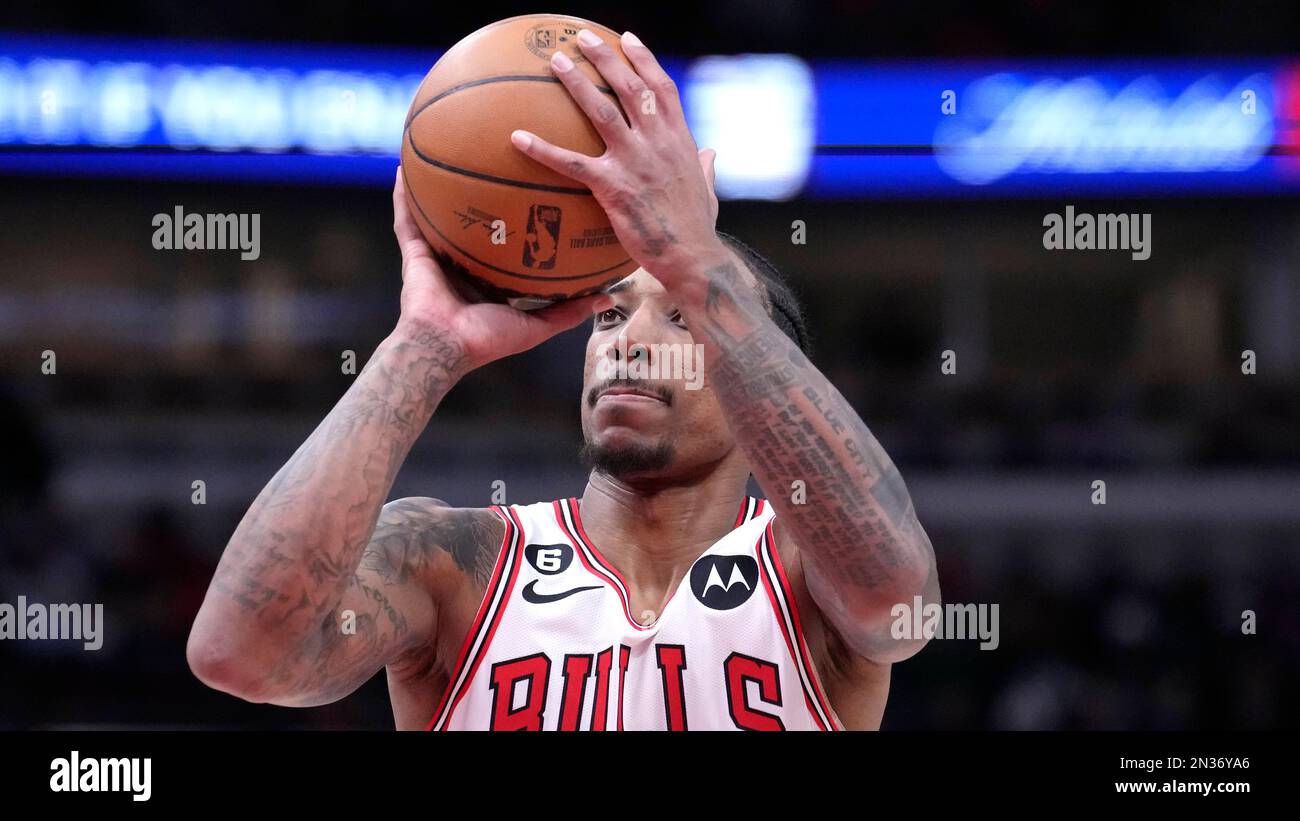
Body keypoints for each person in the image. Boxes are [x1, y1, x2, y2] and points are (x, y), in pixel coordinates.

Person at [187, 28, 939, 730]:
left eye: (680, 317)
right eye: (608, 318)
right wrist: (422, 345)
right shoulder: (459, 560)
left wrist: (697, 261)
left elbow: (897, 602)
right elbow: (243, 653)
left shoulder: (806, 573)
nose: (630, 341)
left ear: (758, 377)